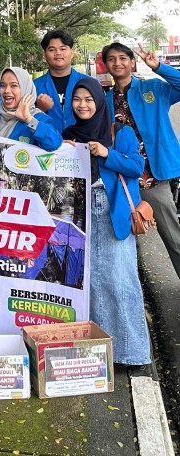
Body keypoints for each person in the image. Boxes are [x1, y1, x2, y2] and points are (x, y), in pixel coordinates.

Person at [62, 77, 150, 366]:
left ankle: (130, 354)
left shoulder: (119, 132)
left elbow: (136, 166)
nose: (83, 105)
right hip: (79, 212)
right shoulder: (69, 133)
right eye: (77, 99)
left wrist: (105, 153)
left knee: (120, 281)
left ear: (100, 101)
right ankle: (99, 354)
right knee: (89, 283)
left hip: (111, 211)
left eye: (89, 99)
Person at [103, 42, 180, 278]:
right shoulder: (103, 99)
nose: (118, 63)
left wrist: (159, 67)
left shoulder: (153, 88)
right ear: (106, 65)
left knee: (173, 238)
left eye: (123, 58)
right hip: (120, 178)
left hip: (153, 176)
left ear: (132, 62)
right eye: (112, 59)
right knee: (119, 239)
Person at [0, 67, 63, 151]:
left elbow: (54, 144)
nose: (6, 91)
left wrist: (28, 119)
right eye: (2, 85)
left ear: (26, 89)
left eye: (14, 86)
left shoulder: (38, 118)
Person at [34, 29, 89, 132]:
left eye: (63, 49)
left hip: (82, 144)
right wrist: (40, 110)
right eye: (52, 50)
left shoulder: (89, 84)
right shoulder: (34, 86)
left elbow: (101, 117)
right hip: (45, 146)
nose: (58, 53)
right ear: (44, 54)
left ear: (71, 52)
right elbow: (25, 121)